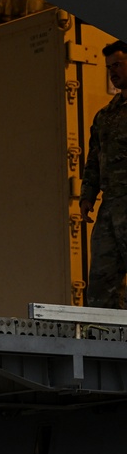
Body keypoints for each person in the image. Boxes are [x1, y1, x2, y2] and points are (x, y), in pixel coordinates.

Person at [80, 40, 127, 309]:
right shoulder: (105, 116)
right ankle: (106, 341)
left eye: (118, 65)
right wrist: (88, 194)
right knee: (101, 279)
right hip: (110, 208)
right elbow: (94, 158)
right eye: (109, 67)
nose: (113, 72)